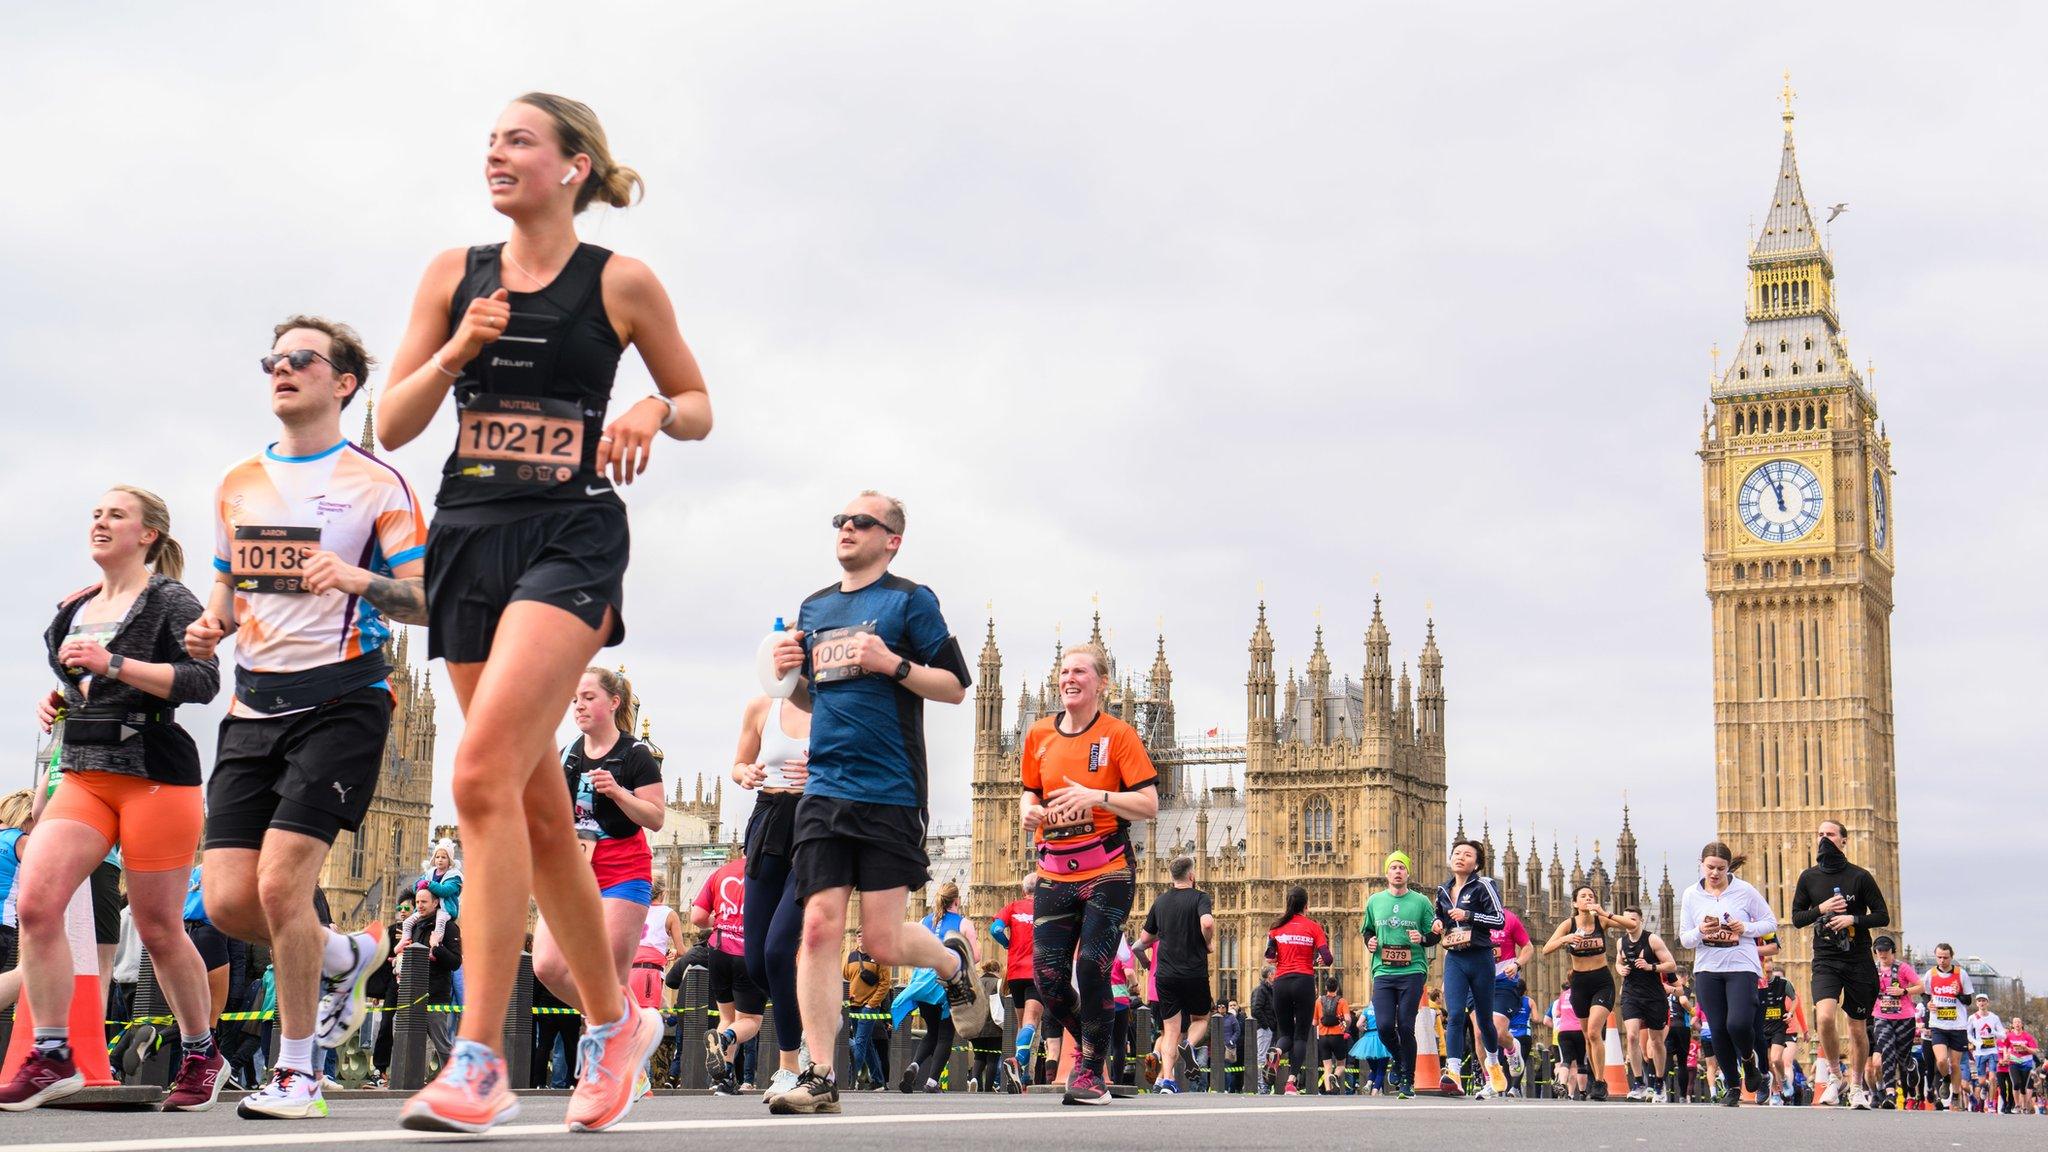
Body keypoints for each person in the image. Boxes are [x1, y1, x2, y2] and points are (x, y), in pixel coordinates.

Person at [377, 91, 709, 1133]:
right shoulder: (452, 274)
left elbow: (696, 402)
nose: (495, 154)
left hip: (569, 535)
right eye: (488, 142)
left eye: (517, 140)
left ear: (573, 166)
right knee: (526, 800)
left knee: (476, 772)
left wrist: (652, 405)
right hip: (470, 530)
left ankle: (477, 1058)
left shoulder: (619, 282)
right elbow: (391, 419)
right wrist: (453, 350)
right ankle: (617, 1028)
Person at [179, 316, 426, 1119]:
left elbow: (428, 600)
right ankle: (346, 955)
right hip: (253, 705)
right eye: (272, 360)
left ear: (343, 382)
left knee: (284, 884)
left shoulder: (377, 485)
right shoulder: (237, 482)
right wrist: (210, 623)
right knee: (224, 902)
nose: (281, 370)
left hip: (343, 698)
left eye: (300, 359)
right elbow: (226, 584)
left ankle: (297, 1071)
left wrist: (354, 579)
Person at [4, 487, 224, 1113]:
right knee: (38, 903)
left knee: (158, 927)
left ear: (148, 534)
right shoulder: (74, 605)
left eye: (116, 514)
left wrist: (115, 662)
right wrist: (61, 699)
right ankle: (52, 1055)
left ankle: (202, 1052)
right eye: (96, 513)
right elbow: (75, 681)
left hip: (155, 773)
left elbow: (202, 682)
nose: (100, 522)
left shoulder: (170, 599)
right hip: (84, 774)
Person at [763, 493, 982, 1115]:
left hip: (889, 790)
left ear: (892, 539)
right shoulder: (816, 606)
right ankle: (819, 1075)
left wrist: (894, 663)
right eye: (841, 521)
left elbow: (955, 687)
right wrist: (789, 675)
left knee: (882, 944)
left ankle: (948, 958)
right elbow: (814, 700)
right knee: (818, 927)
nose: (847, 528)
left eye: (862, 522)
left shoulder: (911, 600)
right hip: (825, 789)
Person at [1009, 642, 1158, 1106]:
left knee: (1091, 966)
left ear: (1102, 683)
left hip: (1108, 870)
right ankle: (1097, 1043)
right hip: (1055, 871)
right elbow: (1028, 794)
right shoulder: (1038, 735)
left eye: (1079, 672)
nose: (1069, 678)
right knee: (1049, 979)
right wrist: (1027, 813)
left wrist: (1098, 797)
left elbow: (1150, 804)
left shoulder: (1119, 735)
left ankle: (1090, 1069)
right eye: (1064, 671)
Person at [536, 668, 666, 1072]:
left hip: (623, 872)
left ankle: (612, 1060)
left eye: (589, 697)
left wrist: (618, 792)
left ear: (614, 703)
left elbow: (656, 817)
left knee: (606, 973)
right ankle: (624, 1023)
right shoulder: (567, 755)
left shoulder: (636, 756)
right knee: (547, 966)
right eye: (575, 698)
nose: (579, 705)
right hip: (574, 874)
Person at [728, 669, 810, 1099]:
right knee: (757, 960)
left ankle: (790, 1065)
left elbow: (859, 767)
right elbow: (738, 764)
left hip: (814, 828)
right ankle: (810, 1014)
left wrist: (823, 776)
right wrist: (745, 775)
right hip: (767, 823)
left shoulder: (834, 711)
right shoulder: (761, 707)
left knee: (780, 948)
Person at [1789, 818, 1890, 1110]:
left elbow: (1882, 915)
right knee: (1824, 1018)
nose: (1824, 838)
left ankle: (1857, 1086)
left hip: (1858, 958)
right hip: (1826, 957)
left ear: (1844, 840)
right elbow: (1796, 918)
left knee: (1857, 1028)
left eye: (1830, 834)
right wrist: (1821, 909)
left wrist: (1853, 919)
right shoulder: (1809, 878)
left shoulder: (1860, 877)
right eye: (1820, 834)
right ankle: (1836, 1076)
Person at [1677, 840, 1775, 1108]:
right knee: (1717, 1029)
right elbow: (1685, 939)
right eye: (1710, 868)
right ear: (1702, 865)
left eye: (1721, 868)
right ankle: (1733, 1084)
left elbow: (1770, 922)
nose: (1715, 873)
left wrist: (1745, 927)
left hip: (1741, 966)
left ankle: (1748, 1061)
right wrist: (1701, 931)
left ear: (1728, 867)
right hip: (1708, 969)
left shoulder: (1745, 891)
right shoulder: (1690, 895)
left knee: (1738, 1024)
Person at [1540, 884, 1635, 1101]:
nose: (1587, 898)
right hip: (1580, 984)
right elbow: (1545, 949)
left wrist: (1605, 912)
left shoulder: (1601, 921)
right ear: (1574, 903)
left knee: (1593, 1032)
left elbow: (1631, 924)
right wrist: (1565, 939)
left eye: (1591, 895)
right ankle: (1596, 1079)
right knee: (1587, 1037)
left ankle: (1600, 1082)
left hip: (1602, 981)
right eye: (1583, 896)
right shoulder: (1568, 924)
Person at [1433, 839, 1507, 1098]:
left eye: (1467, 854)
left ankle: (1494, 1063)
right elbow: (1438, 918)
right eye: (1456, 853)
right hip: (1454, 958)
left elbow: (1499, 920)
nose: (1460, 857)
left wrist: (1468, 916)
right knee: (1454, 1015)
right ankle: (1452, 1072)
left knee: (1484, 1021)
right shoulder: (1442, 890)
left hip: (1480, 958)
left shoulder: (1484, 885)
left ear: (1477, 863)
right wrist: (1435, 927)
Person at [1361, 851, 1438, 1099]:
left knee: (1406, 1026)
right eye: (1393, 867)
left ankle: (1408, 1079)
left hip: (1412, 970)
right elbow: (1368, 931)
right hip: (1383, 971)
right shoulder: (1374, 901)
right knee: (1384, 1026)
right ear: (1387, 873)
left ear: (1407, 873)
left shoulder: (1421, 902)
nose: (1397, 871)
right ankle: (1399, 1058)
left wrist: (1424, 938)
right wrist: (1370, 942)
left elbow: (1434, 934)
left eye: (1401, 868)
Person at [891, 882, 981, 1094]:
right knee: (945, 1035)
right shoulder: (963, 923)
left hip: (922, 983)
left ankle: (914, 1065)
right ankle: (932, 1082)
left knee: (931, 1032)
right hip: (946, 983)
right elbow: (976, 956)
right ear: (957, 901)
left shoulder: (924, 921)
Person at [1137, 854, 1214, 1095]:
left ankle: (1167, 1080)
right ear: (1191, 876)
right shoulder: (1200, 897)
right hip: (1193, 971)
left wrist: (1149, 961)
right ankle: (1189, 1046)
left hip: (1166, 974)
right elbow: (1208, 923)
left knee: (1169, 1030)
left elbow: (1143, 940)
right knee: (1201, 1019)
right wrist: (1207, 943)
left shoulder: (1160, 902)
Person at [692, 852, 760, 1095]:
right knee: (750, 1021)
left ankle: (723, 1079)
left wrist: (722, 920)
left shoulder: (721, 872)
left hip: (719, 948)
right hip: (748, 950)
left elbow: (697, 917)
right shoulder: (769, 870)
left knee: (726, 1017)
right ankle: (724, 1039)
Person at [1265, 884, 1333, 1096]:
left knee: (1284, 1033)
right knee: (1301, 1036)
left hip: (1281, 982)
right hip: (1304, 981)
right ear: (1306, 905)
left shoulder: (1275, 928)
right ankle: (1291, 1083)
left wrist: (1281, 957)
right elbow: (1328, 958)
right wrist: (1319, 958)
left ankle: (1276, 1052)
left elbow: (1269, 957)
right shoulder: (1313, 927)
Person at [1614, 903, 1677, 1101]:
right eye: (1626, 919)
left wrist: (1650, 967)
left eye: (1633, 919)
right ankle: (1639, 1083)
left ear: (1640, 920)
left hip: (1654, 996)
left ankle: (1659, 1083)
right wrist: (1619, 969)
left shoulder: (1652, 939)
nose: (1629, 922)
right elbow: (1618, 961)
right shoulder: (1620, 943)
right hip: (1631, 994)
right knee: (1632, 1036)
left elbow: (1671, 964)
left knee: (1656, 1042)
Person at [990, 875, 1048, 1087]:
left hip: (1014, 974)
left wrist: (1008, 944)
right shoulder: (1046, 908)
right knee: (1032, 1023)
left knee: (1024, 1025)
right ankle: (1019, 1061)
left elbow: (995, 929)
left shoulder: (1012, 907)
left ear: (1023, 890)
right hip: (1036, 971)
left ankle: (1023, 1076)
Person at [394, 889, 462, 1061]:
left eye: (424, 902)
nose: (419, 906)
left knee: (442, 1045)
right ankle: (410, 1085)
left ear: (436, 902)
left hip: (435, 994)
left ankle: (454, 1083)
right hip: (411, 994)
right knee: (407, 1043)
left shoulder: (448, 927)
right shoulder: (414, 926)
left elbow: (455, 962)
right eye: (417, 902)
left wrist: (436, 948)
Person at [1922, 942, 1974, 1108]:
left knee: (1954, 1064)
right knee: (1942, 1061)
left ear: (1951, 957)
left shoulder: (1961, 974)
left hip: (1958, 1025)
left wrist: (1956, 992)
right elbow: (1925, 995)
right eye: (1939, 957)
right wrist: (1928, 1005)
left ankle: (1956, 1095)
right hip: (1938, 1024)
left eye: (1945, 957)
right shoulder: (1930, 974)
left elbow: (1968, 1000)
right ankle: (1945, 1079)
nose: (1942, 960)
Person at [1489, 903, 1533, 1096]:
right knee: (1480, 1033)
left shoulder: (1509, 919)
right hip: (1479, 982)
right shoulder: (1470, 918)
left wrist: (1516, 964)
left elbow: (1528, 947)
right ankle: (1490, 1079)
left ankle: (1512, 1051)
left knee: (1497, 1032)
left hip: (1504, 983)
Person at [841, 930, 892, 1091]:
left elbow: (885, 983)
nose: (862, 938)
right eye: (859, 935)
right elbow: (845, 978)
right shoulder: (851, 956)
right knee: (867, 1044)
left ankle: (848, 1080)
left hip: (869, 1008)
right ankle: (878, 1081)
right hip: (854, 1006)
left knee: (860, 1042)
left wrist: (872, 1003)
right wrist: (847, 997)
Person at [1755, 958, 1797, 1104]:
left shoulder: (1783, 983)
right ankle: (1775, 1091)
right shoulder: (1757, 984)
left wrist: (1790, 1013)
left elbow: (1795, 998)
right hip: (1762, 1026)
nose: (1767, 973)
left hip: (1778, 1027)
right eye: (1765, 970)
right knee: (1767, 1063)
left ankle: (1784, 1080)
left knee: (1776, 1058)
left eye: (1769, 970)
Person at [1549, 978, 1586, 1099]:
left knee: (1566, 1061)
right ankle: (1582, 1092)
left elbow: (1557, 1014)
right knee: (1580, 1063)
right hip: (1579, 1030)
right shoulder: (1582, 993)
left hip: (1563, 1031)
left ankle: (1562, 1084)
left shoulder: (1563, 995)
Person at [1662, 972, 1694, 1103]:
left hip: (1667, 1025)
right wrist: (1692, 1011)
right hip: (1682, 1026)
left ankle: (1661, 1091)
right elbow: (1683, 1000)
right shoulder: (1683, 989)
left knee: (1666, 1060)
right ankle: (1682, 1096)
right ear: (1685, 977)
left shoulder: (1666, 988)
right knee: (1682, 1062)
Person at [1968, 995, 2006, 1100]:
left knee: (1993, 1078)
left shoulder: (1994, 1018)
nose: (1981, 1003)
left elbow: (2003, 1035)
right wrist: (1977, 1043)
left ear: (1987, 1003)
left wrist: (1993, 1032)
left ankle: (1990, 1104)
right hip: (1980, 1052)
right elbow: (1968, 1035)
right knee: (1981, 1081)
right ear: (1976, 1003)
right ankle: (1985, 1087)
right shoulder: (1972, 1018)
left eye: (1984, 1001)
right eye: (1979, 1001)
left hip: (1992, 1051)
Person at [1250, 966, 1277, 1094]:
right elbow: (1256, 1009)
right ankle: (1261, 1085)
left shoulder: (1270, 990)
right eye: (1275, 973)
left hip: (1271, 1028)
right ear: (1270, 975)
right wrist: (1266, 1025)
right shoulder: (1261, 990)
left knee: (1269, 1057)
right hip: (1264, 1029)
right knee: (1262, 1057)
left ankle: (1265, 1084)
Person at [2005, 1014, 2036, 1115]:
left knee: (2023, 1086)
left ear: (2022, 1024)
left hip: (2026, 1063)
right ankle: (2017, 1105)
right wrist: (2006, 1055)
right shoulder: (2009, 1036)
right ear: (2012, 1025)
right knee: (2016, 1083)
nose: (2017, 1024)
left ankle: (2024, 1106)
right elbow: (2005, 1046)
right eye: (2015, 1022)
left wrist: (2026, 1048)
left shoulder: (2028, 1036)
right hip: (2014, 1062)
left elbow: (2035, 1051)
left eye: (2019, 1022)